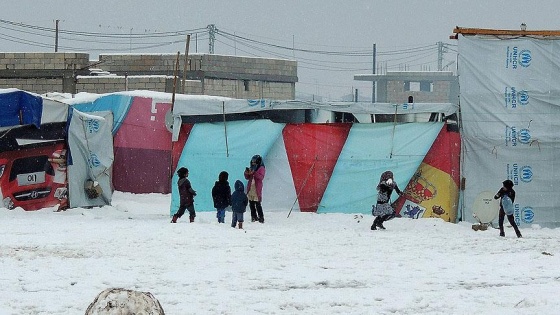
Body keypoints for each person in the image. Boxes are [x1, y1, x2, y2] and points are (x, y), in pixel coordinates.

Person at [244, 154, 266, 223]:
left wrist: (254, 173)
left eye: (254, 162)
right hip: (251, 188)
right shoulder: (252, 167)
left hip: (257, 188)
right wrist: (247, 173)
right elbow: (247, 178)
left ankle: (261, 217)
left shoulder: (261, 168)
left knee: (258, 204)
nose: (253, 163)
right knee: (251, 204)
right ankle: (253, 217)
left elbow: (261, 177)